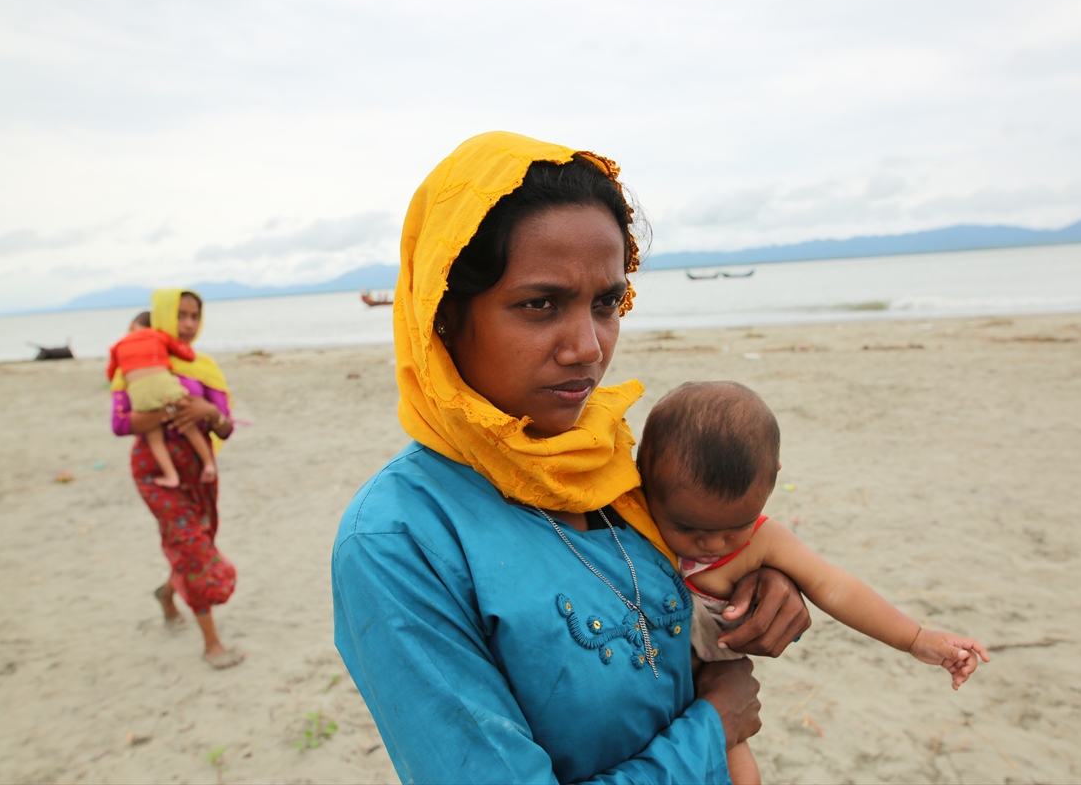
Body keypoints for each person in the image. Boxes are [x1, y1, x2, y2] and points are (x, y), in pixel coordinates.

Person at [332, 131, 811, 784]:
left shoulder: (608, 468)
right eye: (540, 304)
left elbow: (681, 580)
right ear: (443, 316)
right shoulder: (399, 539)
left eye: (607, 303)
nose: (588, 347)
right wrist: (710, 732)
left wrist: (753, 585)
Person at [638, 380, 991, 785]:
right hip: (648, 692)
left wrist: (914, 638)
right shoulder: (633, 523)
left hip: (715, 697)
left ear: (773, 480)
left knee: (742, 774)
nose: (714, 543)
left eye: (736, 526)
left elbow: (836, 587)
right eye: (688, 528)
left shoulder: (764, 541)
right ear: (642, 478)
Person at [111, 290, 243, 670]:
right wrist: (171, 407)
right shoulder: (138, 359)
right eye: (181, 315)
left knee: (199, 539)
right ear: (164, 317)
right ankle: (212, 644)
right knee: (191, 547)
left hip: (200, 469)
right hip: (155, 471)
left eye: (195, 316)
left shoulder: (203, 366)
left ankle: (167, 593)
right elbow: (121, 423)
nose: (188, 324)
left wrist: (207, 412)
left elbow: (225, 428)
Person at [107, 311, 217, 488]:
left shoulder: (117, 345)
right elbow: (186, 353)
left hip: (140, 394)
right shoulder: (158, 335)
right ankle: (209, 464)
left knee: (154, 436)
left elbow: (112, 372)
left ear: (132, 327)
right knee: (188, 425)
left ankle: (171, 475)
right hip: (167, 388)